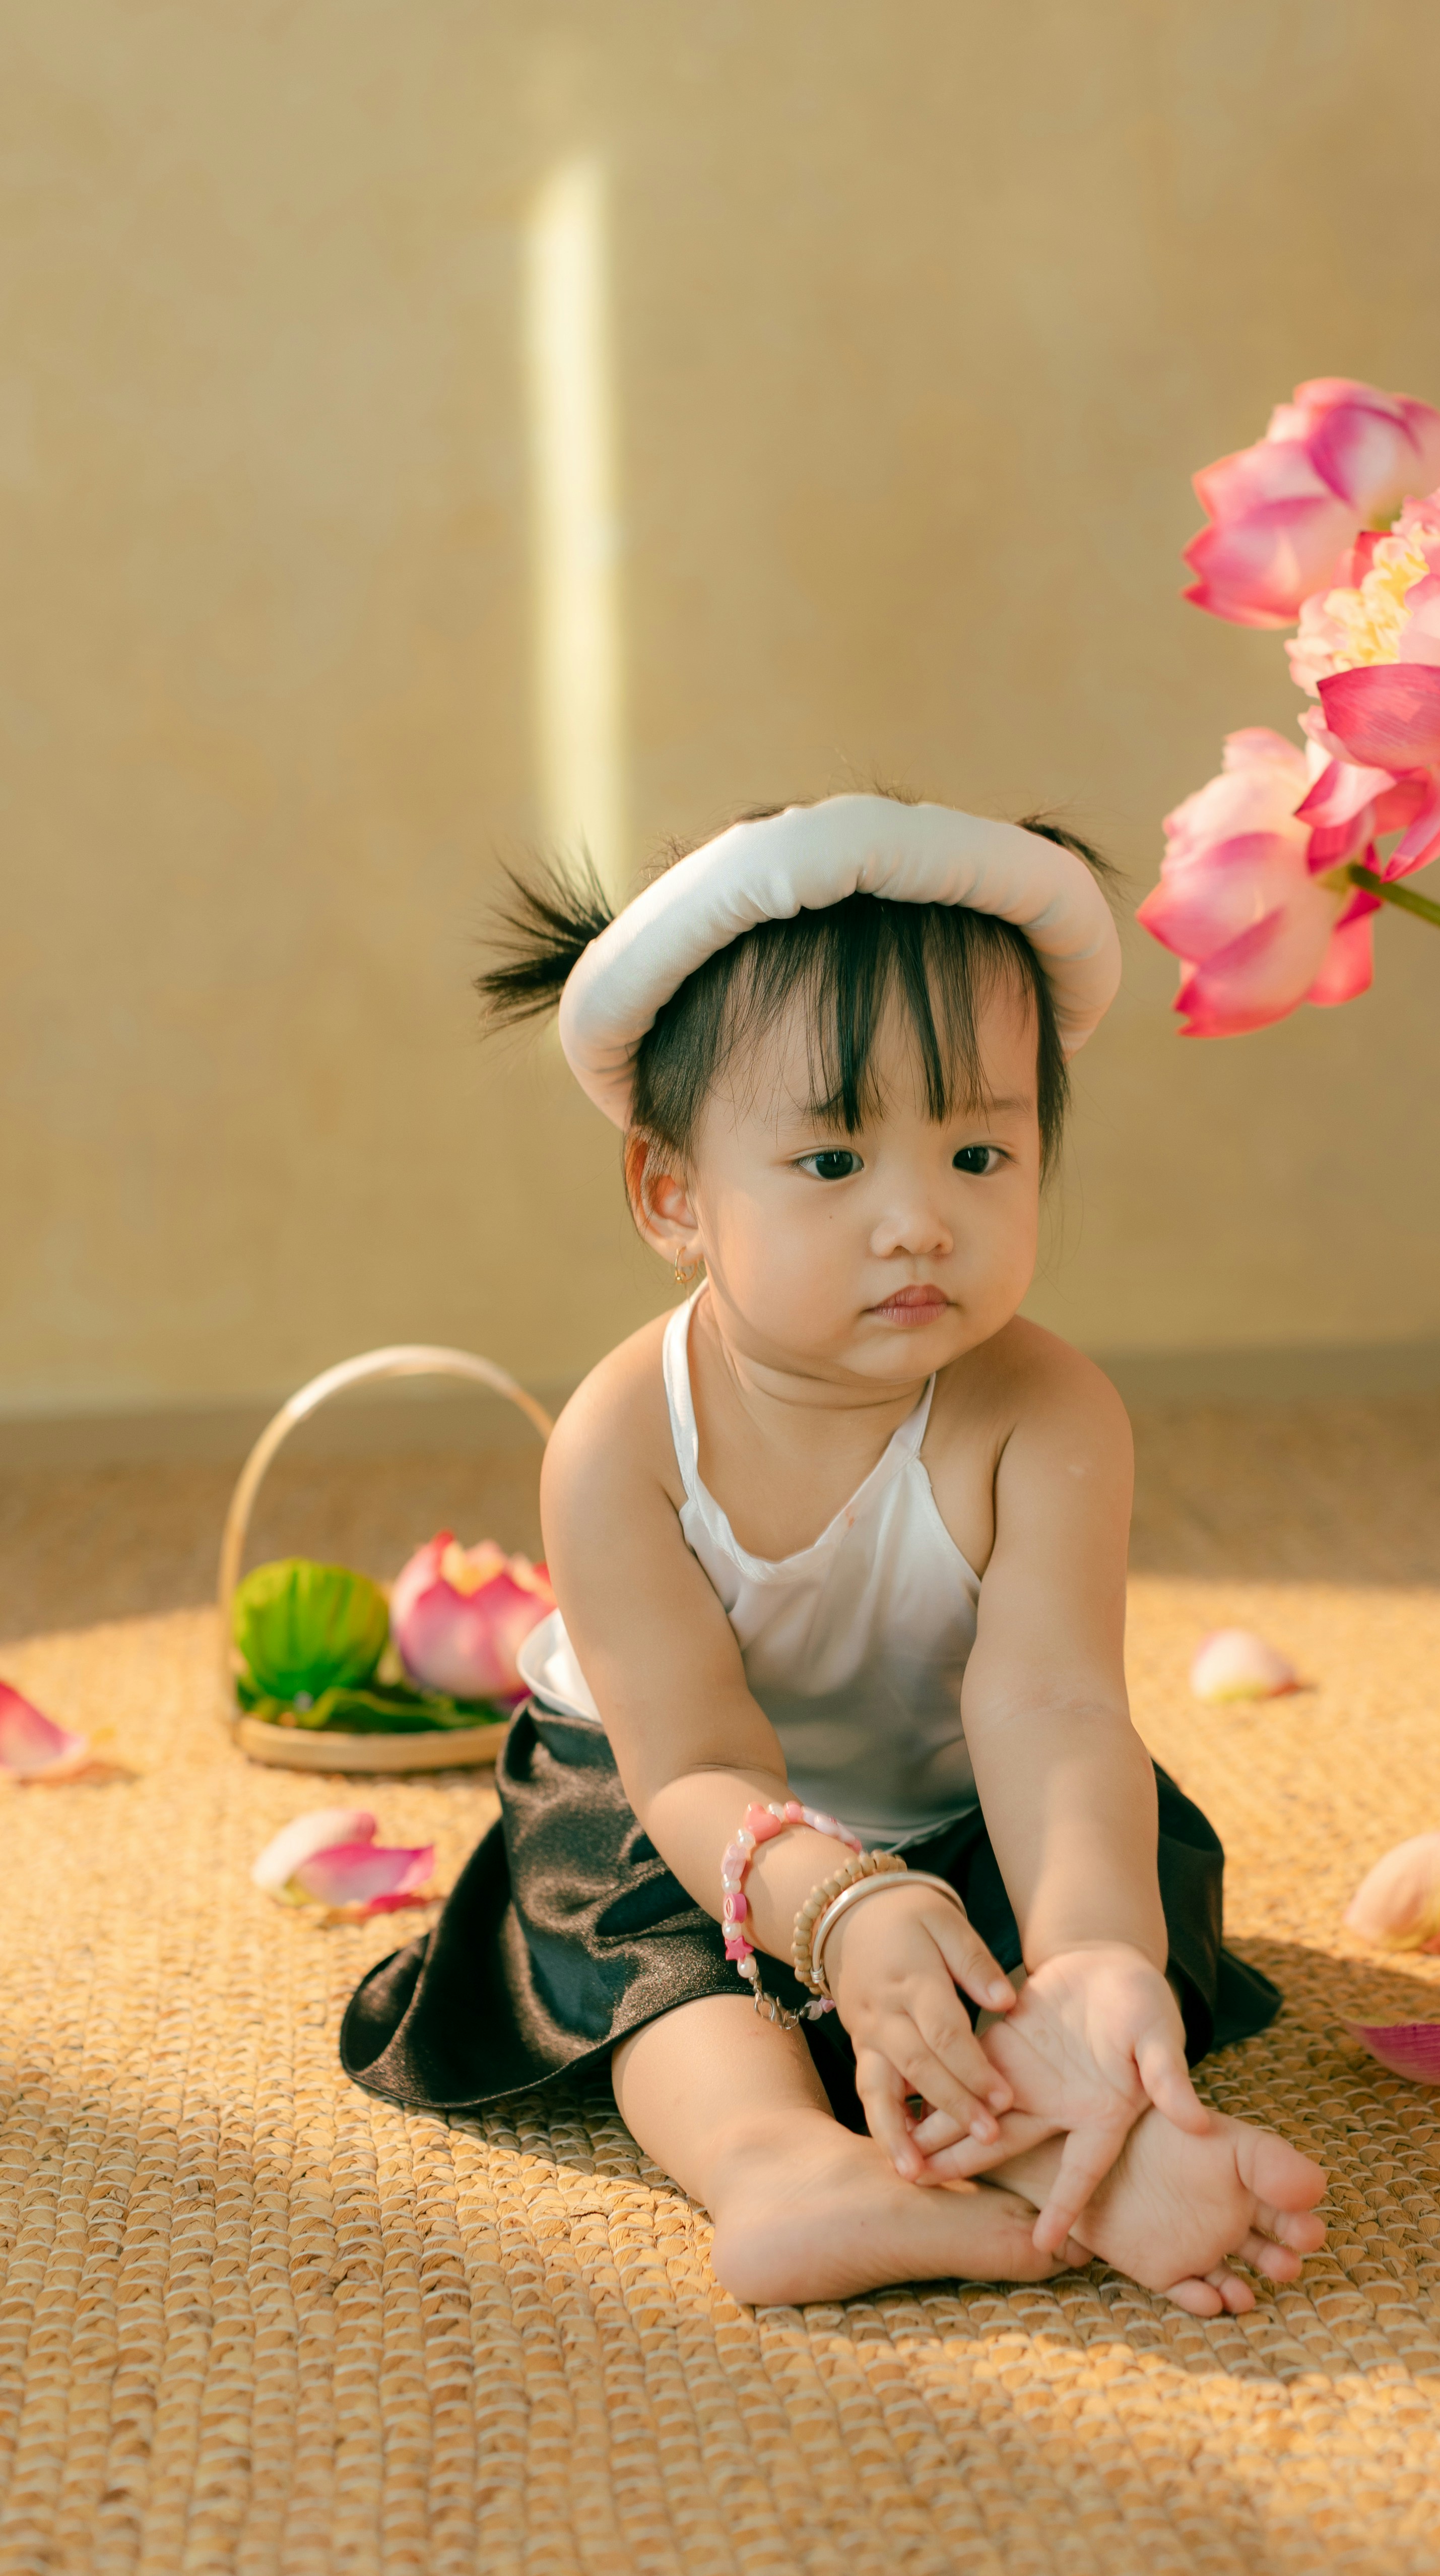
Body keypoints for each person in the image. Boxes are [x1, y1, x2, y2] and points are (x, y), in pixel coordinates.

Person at [343, 793, 1326, 2311]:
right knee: (648, 1952)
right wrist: (833, 1906)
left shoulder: (1045, 1411)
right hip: (687, 1812)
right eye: (832, 1163)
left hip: (950, 1797)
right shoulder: (618, 1442)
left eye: (982, 1156)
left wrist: (1088, 1956)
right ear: (675, 1195)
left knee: (1097, 1875)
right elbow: (690, 1764)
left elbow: (1053, 1706)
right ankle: (775, 2167)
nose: (920, 1221)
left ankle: (1053, 2115)